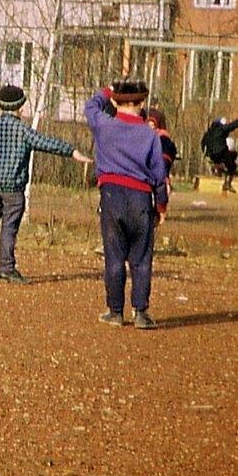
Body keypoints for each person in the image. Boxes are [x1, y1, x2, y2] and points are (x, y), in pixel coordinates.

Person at [0, 84, 92, 284]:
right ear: (20, 107)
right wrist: (72, 151)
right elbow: (46, 143)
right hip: (14, 189)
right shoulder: (23, 130)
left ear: (0, 105)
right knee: (9, 227)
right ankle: (7, 268)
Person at [84, 81, 168, 329]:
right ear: (142, 103)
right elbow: (159, 174)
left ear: (114, 101)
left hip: (112, 196)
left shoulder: (104, 125)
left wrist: (107, 90)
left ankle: (115, 311)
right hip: (141, 197)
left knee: (114, 256)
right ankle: (140, 312)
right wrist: (161, 206)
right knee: (141, 258)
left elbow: (90, 107)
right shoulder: (150, 135)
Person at [200, 116, 238, 193]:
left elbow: (203, 143)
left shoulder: (208, 133)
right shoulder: (222, 129)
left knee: (228, 159)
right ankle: (228, 183)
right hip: (221, 153)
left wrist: (206, 154)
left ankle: (218, 167)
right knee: (232, 163)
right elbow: (232, 126)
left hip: (212, 155)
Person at [144, 108, 178, 183]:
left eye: (152, 125)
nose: (150, 127)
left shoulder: (162, 139)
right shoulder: (142, 136)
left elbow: (165, 160)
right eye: (148, 125)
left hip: (157, 176)